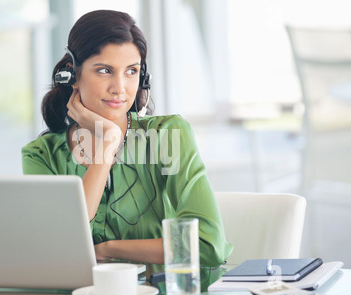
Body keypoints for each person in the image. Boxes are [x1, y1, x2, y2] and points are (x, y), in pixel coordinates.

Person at [21, 9, 233, 267]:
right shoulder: (41, 154)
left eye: (131, 71)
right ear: (72, 74)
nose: (119, 88)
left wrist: (109, 250)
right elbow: (57, 244)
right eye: (104, 70)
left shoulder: (168, 135)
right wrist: (108, 142)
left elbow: (207, 246)